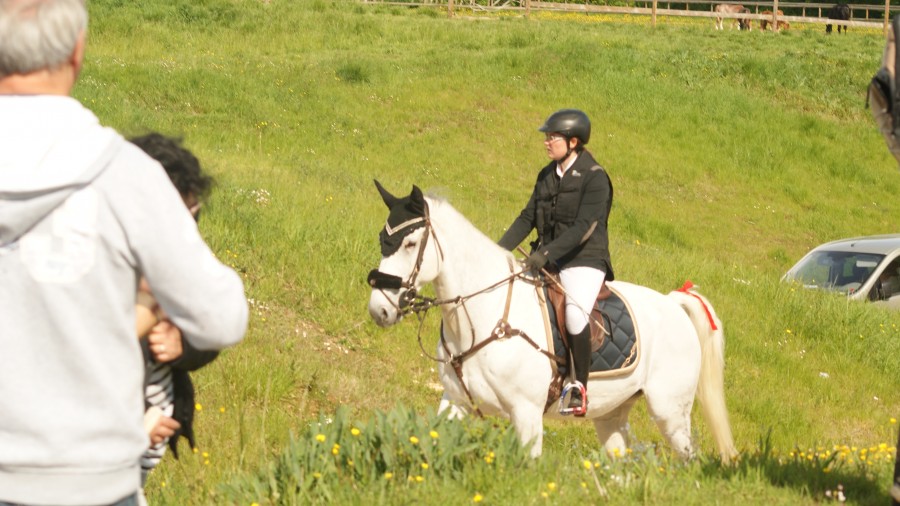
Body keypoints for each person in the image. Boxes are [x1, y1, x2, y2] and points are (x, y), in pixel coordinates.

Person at [0, 2, 248, 505]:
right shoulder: (126, 176)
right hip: (94, 480)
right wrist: (149, 304)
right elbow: (221, 319)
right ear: (77, 51)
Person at [498, 109, 614, 417]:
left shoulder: (595, 177)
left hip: (584, 261)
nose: (547, 142)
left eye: (553, 138)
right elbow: (527, 218)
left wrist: (546, 254)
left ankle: (579, 388)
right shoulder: (547, 175)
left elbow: (583, 228)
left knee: (575, 315)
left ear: (573, 142)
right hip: (549, 258)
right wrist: (496, 251)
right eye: (547, 137)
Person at [129, 133, 220, 484]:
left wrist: (183, 345)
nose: (187, 233)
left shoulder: (176, 268)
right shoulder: (103, 272)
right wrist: (137, 421)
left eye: (194, 216)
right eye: (180, 218)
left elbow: (212, 330)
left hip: (140, 453)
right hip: (108, 443)